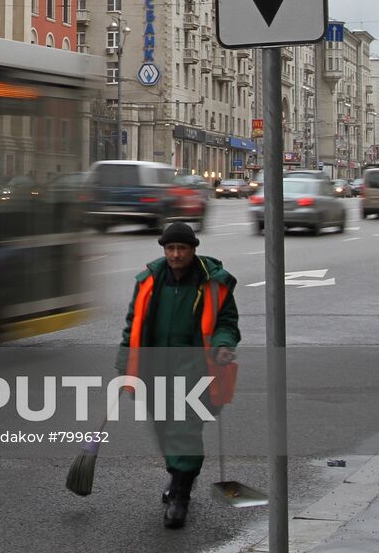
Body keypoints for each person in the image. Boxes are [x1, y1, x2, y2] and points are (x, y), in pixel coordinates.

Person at [116, 220, 239, 529]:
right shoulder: (150, 279)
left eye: (181, 248)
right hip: (155, 366)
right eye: (170, 248)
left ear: (193, 250)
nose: (175, 255)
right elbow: (133, 322)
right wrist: (123, 361)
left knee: (185, 426)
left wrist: (223, 345)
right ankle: (178, 475)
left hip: (195, 367)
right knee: (161, 426)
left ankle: (180, 494)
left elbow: (226, 321)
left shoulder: (212, 282)